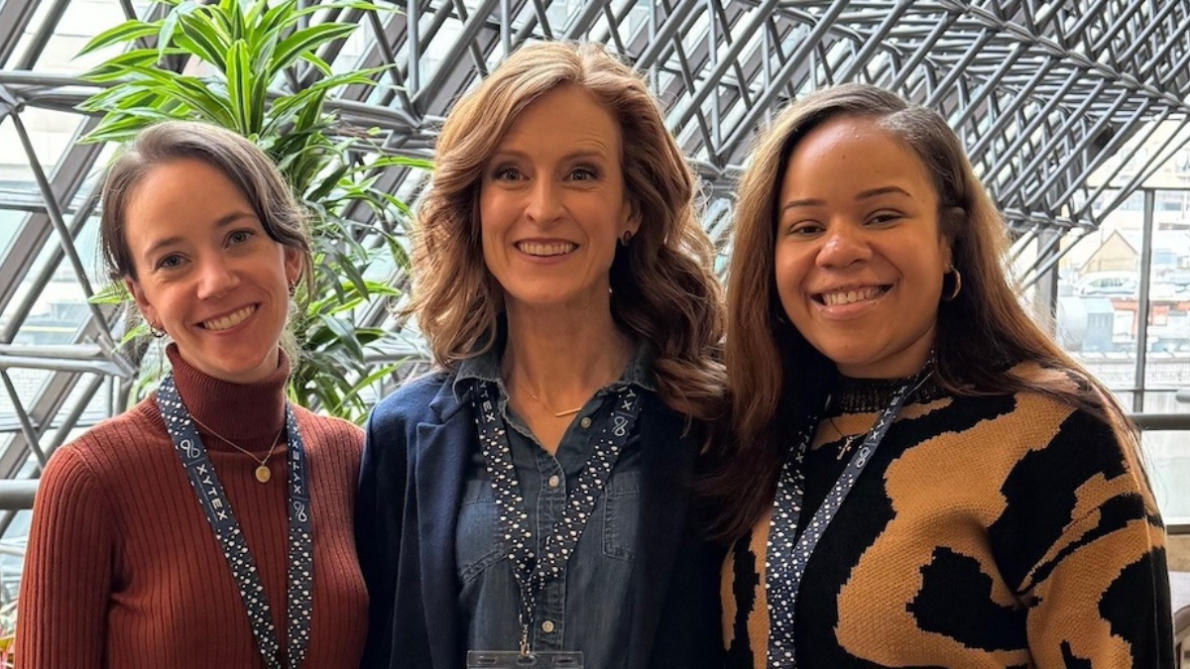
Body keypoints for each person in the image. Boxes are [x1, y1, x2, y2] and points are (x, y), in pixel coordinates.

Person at [713, 83, 1173, 668]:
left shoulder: (1055, 435)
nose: (839, 249)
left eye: (882, 215)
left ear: (949, 239)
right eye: (805, 227)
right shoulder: (757, 420)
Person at [356, 42, 725, 669]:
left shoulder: (711, 425)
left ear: (631, 208)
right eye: (510, 173)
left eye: (581, 173)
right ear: (475, 205)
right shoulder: (403, 436)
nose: (544, 208)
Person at [17, 121, 368, 668]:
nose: (215, 282)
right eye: (173, 261)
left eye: (238, 237)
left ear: (291, 256)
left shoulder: (350, 458)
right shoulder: (91, 479)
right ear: (145, 302)